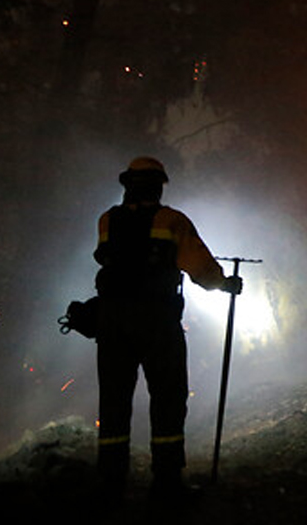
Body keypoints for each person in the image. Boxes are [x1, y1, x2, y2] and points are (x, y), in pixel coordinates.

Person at [92, 156, 241, 501]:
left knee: (114, 401)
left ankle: (112, 483)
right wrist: (225, 284)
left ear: (127, 185)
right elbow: (200, 267)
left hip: (113, 323)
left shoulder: (106, 221)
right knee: (168, 399)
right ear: (158, 185)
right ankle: (167, 484)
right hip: (156, 322)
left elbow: (106, 260)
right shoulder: (171, 220)